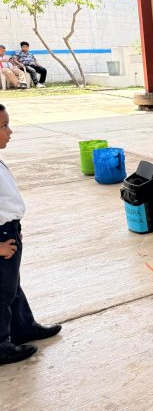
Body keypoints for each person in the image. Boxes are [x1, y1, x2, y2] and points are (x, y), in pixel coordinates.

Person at [0, 103, 61, 365]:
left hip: (8, 231)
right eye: (4, 126)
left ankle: (23, 326)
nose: (10, 131)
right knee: (1, 293)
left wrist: (15, 227)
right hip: (1, 238)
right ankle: (1, 345)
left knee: (12, 285)